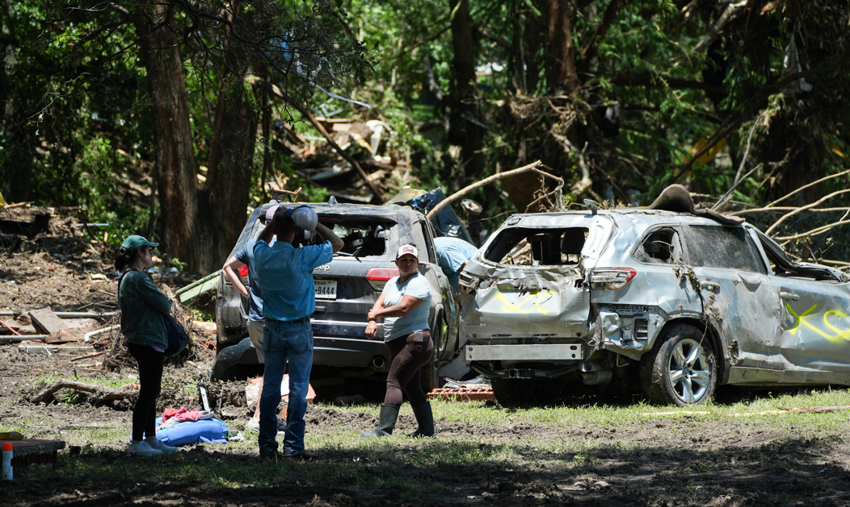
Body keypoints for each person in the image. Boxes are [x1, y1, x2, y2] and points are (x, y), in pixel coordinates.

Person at [253, 205, 343, 459]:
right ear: (296, 231)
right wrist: (314, 225)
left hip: (271, 327)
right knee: (298, 388)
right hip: (298, 328)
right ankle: (293, 446)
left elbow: (260, 241)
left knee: (270, 387)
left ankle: (267, 446)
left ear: (274, 230)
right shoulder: (301, 257)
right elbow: (338, 243)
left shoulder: (262, 255)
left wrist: (273, 223)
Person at [221, 208, 286, 433]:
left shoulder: (252, 247)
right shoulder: (281, 249)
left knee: (271, 370)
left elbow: (227, 267)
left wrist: (245, 292)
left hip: (255, 319)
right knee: (274, 372)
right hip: (272, 320)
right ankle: (259, 420)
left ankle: (264, 416)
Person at [361, 244, 435, 438]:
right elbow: (379, 304)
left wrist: (376, 314)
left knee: (394, 382)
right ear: (397, 262)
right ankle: (426, 430)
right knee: (411, 385)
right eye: (404, 260)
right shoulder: (393, 282)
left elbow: (403, 308)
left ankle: (383, 431)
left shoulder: (419, 283)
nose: (408, 263)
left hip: (416, 339)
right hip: (399, 341)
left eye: (412, 260)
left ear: (417, 263)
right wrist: (372, 320)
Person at [115, 235, 179, 456]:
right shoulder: (138, 278)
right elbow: (164, 305)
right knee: (150, 391)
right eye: (149, 251)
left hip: (141, 339)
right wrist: (166, 300)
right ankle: (136, 443)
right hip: (147, 340)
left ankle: (150, 439)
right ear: (140, 253)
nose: (152, 254)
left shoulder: (127, 277)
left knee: (151, 391)